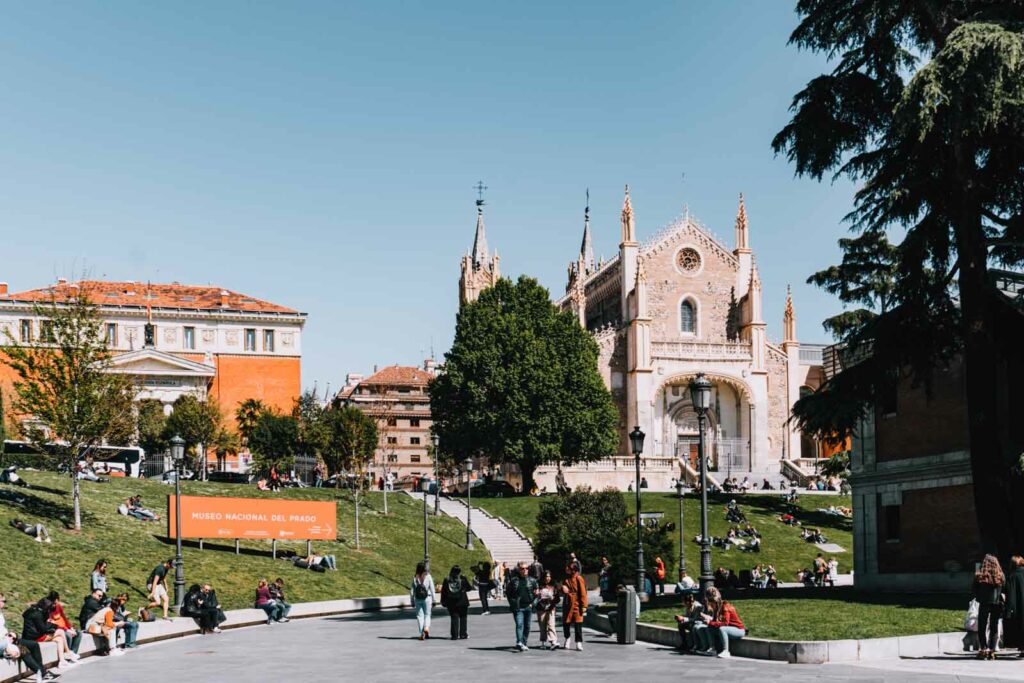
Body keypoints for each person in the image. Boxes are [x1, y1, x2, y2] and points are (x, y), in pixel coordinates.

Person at [1, 592, 57, 682]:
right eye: (3, 601)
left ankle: (43, 671)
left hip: (7, 639)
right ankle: (42, 673)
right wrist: (6, 641)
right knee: (23, 650)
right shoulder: (36, 613)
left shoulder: (0, 614)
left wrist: (11, 634)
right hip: (3, 644)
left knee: (34, 645)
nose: (5, 602)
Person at [23, 598, 77, 671]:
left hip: (32, 635)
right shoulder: (38, 614)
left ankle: (62, 661)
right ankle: (68, 652)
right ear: (46, 607)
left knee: (59, 639)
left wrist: (51, 625)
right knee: (60, 632)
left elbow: (42, 626)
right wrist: (54, 626)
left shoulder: (33, 610)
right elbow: (43, 629)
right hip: (35, 637)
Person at [694, 586, 745, 658]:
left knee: (722, 628)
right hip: (728, 629)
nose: (710, 605)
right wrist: (707, 620)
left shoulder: (725, 607)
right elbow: (715, 622)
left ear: (715, 602)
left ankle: (726, 651)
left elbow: (725, 623)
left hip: (738, 630)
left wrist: (710, 622)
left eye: (711, 603)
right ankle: (712, 649)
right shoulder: (716, 608)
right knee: (709, 627)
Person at [973, 553, 1005, 660]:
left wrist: (979, 596)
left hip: (984, 602)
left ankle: (983, 649)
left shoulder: (980, 575)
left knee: (982, 625)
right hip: (996, 603)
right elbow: (1004, 587)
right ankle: (992, 650)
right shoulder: (1000, 575)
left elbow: (974, 588)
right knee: (994, 626)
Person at [505, 562, 537, 652]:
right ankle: (519, 642)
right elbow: (508, 593)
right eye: (522, 569)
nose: (525, 570)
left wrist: (532, 604)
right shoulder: (514, 581)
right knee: (519, 624)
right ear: (519, 570)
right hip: (518, 607)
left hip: (528, 606)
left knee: (527, 626)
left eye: (526, 568)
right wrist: (512, 603)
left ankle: (524, 642)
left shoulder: (532, 580)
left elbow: (537, 594)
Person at [561, 561, 588, 651]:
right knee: (566, 623)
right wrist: (562, 588)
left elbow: (583, 593)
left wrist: (584, 606)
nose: (566, 569)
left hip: (577, 604)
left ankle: (578, 642)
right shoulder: (565, 578)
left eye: (568, 568)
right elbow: (561, 589)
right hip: (567, 603)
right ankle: (567, 639)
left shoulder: (578, 578)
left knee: (578, 624)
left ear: (573, 570)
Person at [439, 565, 470, 640]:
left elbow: (443, 591)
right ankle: (463, 634)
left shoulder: (447, 579)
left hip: (451, 601)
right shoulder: (463, 578)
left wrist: (443, 601)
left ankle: (454, 635)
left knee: (454, 618)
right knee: (463, 618)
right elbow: (469, 588)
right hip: (462, 601)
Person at [1003, 555, 1024, 657]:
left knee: (1020, 626)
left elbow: (1010, 594)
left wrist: (1008, 608)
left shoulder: (1011, 576)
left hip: (1018, 605)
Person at [535, 571, 559, 649]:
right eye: (546, 576)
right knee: (542, 625)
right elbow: (535, 596)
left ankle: (553, 642)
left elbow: (557, 598)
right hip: (541, 608)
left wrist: (553, 599)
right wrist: (538, 595)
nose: (548, 578)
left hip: (551, 608)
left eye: (549, 576)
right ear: (543, 577)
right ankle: (543, 642)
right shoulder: (539, 585)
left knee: (551, 625)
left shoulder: (554, 586)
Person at [411, 562, 434, 640]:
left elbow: (412, 591)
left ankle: (422, 633)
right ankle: (426, 628)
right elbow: (432, 589)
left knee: (420, 616)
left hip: (418, 599)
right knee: (427, 614)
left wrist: (412, 600)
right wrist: (434, 599)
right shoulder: (428, 576)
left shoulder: (415, 578)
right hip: (427, 598)